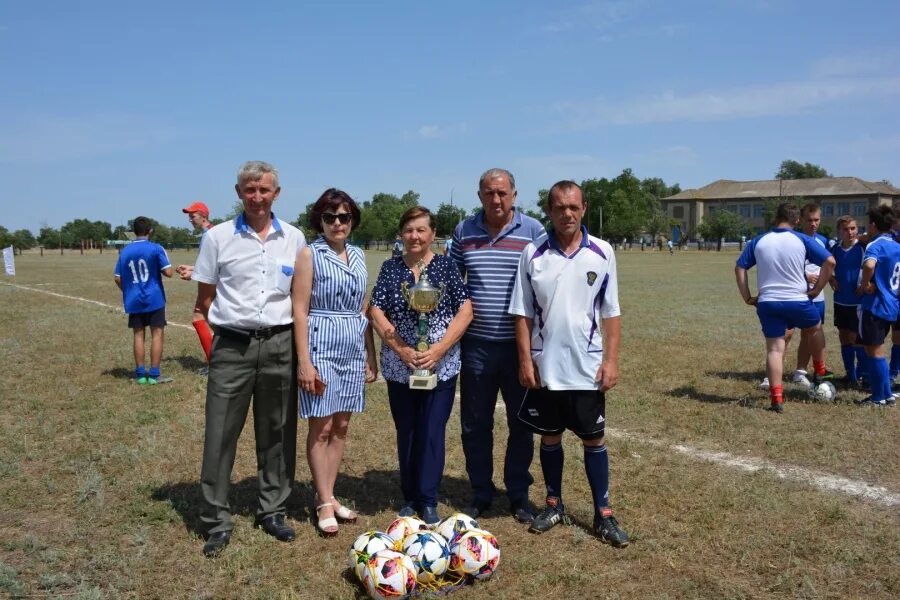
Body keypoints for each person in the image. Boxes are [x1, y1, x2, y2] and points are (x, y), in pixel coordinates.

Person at [191, 161, 306, 557]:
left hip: (280, 344)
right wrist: (228, 337)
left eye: (265, 190)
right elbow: (204, 302)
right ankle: (215, 520)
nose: (257, 197)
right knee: (220, 433)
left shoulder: (293, 238)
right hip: (233, 347)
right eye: (250, 190)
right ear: (239, 192)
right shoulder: (217, 238)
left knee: (277, 431)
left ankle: (272, 510)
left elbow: (298, 298)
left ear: (277, 193)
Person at [509, 180, 629, 547]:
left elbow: (611, 312)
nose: (567, 213)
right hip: (547, 366)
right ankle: (553, 503)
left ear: (584, 208)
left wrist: (611, 360)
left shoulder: (602, 251)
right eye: (560, 207)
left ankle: (603, 513)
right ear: (550, 210)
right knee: (550, 437)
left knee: (594, 439)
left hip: (587, 366)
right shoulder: (533, 253)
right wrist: (526, 360)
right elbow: (522, 313)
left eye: (573, 207)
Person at [449, 168, 545, 523]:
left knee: (522, 423)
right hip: (477, 346)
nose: (497, 199)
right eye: (490, 193)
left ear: (515, 195)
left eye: (503, 193)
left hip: (519, 347)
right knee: (475, 422)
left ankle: (518, 494)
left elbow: (543, 282)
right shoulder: (464, 231)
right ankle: (481, 491)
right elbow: (453, 284)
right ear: (480, 196)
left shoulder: (533, 231)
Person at [370, 206, 473, 525]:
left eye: (421, 230)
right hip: (401, 367)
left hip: (439, 365)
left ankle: (428, 499)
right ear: (401, 234)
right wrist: (401, 350)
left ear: (432, 234)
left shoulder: (446, 267)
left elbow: (465, 310)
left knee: (431, 430)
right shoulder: (390, 269)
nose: (415, 236)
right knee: (408, 431)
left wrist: (439, 350)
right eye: (409, 229)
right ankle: (410, 495)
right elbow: (375, 310)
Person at [292, 188, 378, 536]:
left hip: (352, 347)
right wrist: (304, 362)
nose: (337, 223)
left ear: (352, 220)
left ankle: (327, 492)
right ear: (320, 221)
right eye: (330, 217)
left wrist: (370, 354)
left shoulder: (358, 255)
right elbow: (299, 310)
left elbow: (363, 309)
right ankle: (324, 501)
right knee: (322, 426)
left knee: (341, 425)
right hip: (321, 345)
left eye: (344, 217)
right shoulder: (309, 255)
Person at [735, 202, 835, 413]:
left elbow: (740, 267)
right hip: (797, 300)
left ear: (775, 218)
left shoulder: (759, 240)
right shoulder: (801, 239)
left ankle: (776, 399)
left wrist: (747, 296)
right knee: (815, 328)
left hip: (768, 302)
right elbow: (830, 262)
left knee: (774, 349)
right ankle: (819, 370)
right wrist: (817, 289)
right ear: (797, 220)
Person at [114, 216, 174, 384]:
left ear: (134, 232)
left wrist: (128, 290)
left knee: (138, 335)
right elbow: (168, 272)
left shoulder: (124, 251)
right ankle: (154, 374)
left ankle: (140, 375)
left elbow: (117, 277)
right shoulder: (156, 248)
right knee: (157, 333)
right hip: (154, 298)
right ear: (150, 231)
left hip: (134, 299)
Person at [855, 205, 900, 407]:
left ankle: (877, 397)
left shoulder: (876, 245)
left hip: (875, 305)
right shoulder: (897, 245)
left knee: (874, 352)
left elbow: (869, 265)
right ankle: (888, 394)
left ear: (873, 225)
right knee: (879, 350)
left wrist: (865, 285)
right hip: (892, 305)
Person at [790, 204, 834, 387]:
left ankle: (802, 372)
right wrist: (806, 276)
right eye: (809, 220)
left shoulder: (823, 241)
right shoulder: (792, 240)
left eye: (816, 220)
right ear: (800, 220)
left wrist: (830, 280)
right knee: (785, 333)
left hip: (816, 297)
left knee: (811, 334)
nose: (813, 224)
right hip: (794, 294)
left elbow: (830, 264)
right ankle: (769, 376)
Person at [176, 202, 215, 373]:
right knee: (205, 320)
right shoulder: (210, 233)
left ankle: (215, 364)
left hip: (210, 286)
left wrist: (192, 274)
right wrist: (192, 268)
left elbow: (213, 267)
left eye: (193, 216)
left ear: (203, 216)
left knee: (201, 319)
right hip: (211, 283)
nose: (190, 220)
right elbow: (207, 265)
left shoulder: (209, 236)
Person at [830, 216, 868, 386]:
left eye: (853, 228)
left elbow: (873, 268)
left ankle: (862, 374)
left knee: (857, 340)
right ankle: (850, 375)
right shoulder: (835, 249)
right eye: (845, 229)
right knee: (844, 337)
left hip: (857, 303)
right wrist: (831, 279)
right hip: (840, 301)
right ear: (839, 231)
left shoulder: (863, 248)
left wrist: (866, 284)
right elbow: (826, 267)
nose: (850, 232)